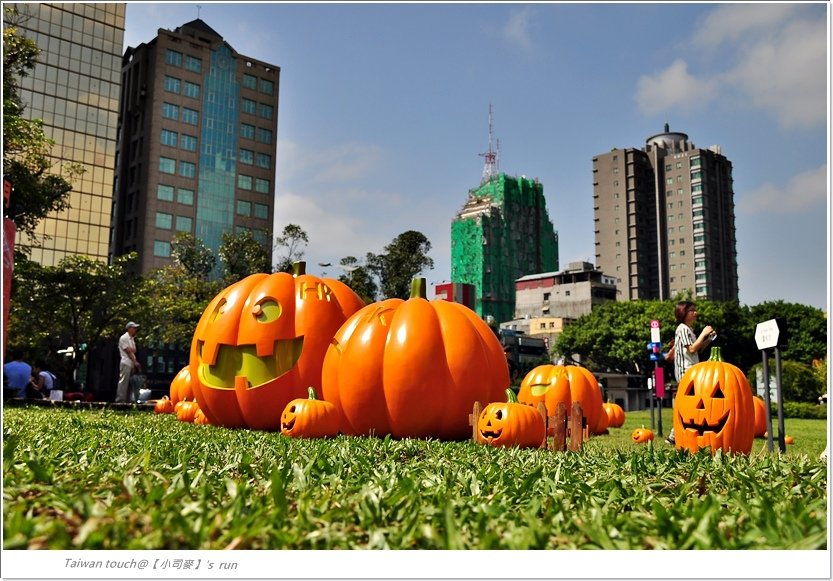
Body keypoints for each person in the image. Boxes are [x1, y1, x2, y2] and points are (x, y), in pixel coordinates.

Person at [666, 301, 715, 444]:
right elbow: (692, 349)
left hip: (692, 370)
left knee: (689, 403)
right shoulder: (682, 328)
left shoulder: (689, 330)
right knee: (687, 403)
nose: (695, 313)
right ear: (683, 313)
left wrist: (708, 339)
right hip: (685, 371)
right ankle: (674, 435)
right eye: (691, 311)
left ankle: (675, 435)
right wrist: (704, 333)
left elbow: (697, 349)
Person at [116, 322, 142, 403]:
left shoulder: (132, 339)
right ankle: (120, 400)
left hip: (131, 364)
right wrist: (135, 362)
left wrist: (134, 364)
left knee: (130, 384)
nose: (135, 330)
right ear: (129, 328)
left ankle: (127, 400)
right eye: (134, 328)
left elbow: (133, 350)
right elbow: (129, 351)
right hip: (125, 362)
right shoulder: (124, 338)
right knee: (123, 382)